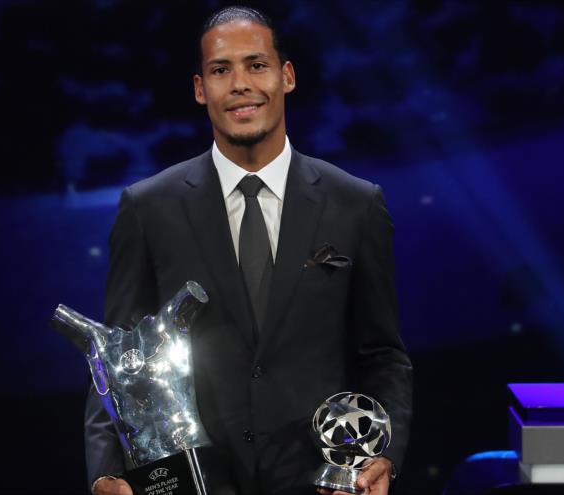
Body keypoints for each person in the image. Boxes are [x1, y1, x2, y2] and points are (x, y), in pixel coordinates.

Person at [86, 6, 412, 495]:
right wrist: (106, 474)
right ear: (201, 89)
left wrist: (382, 454)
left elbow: (383, 355)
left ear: (287, 76)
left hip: (319, 484)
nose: (239, 84)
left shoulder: (356, 204)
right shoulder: (148, 207)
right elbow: (116, 359)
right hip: (192, 483)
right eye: (221, 70)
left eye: (256, 65)